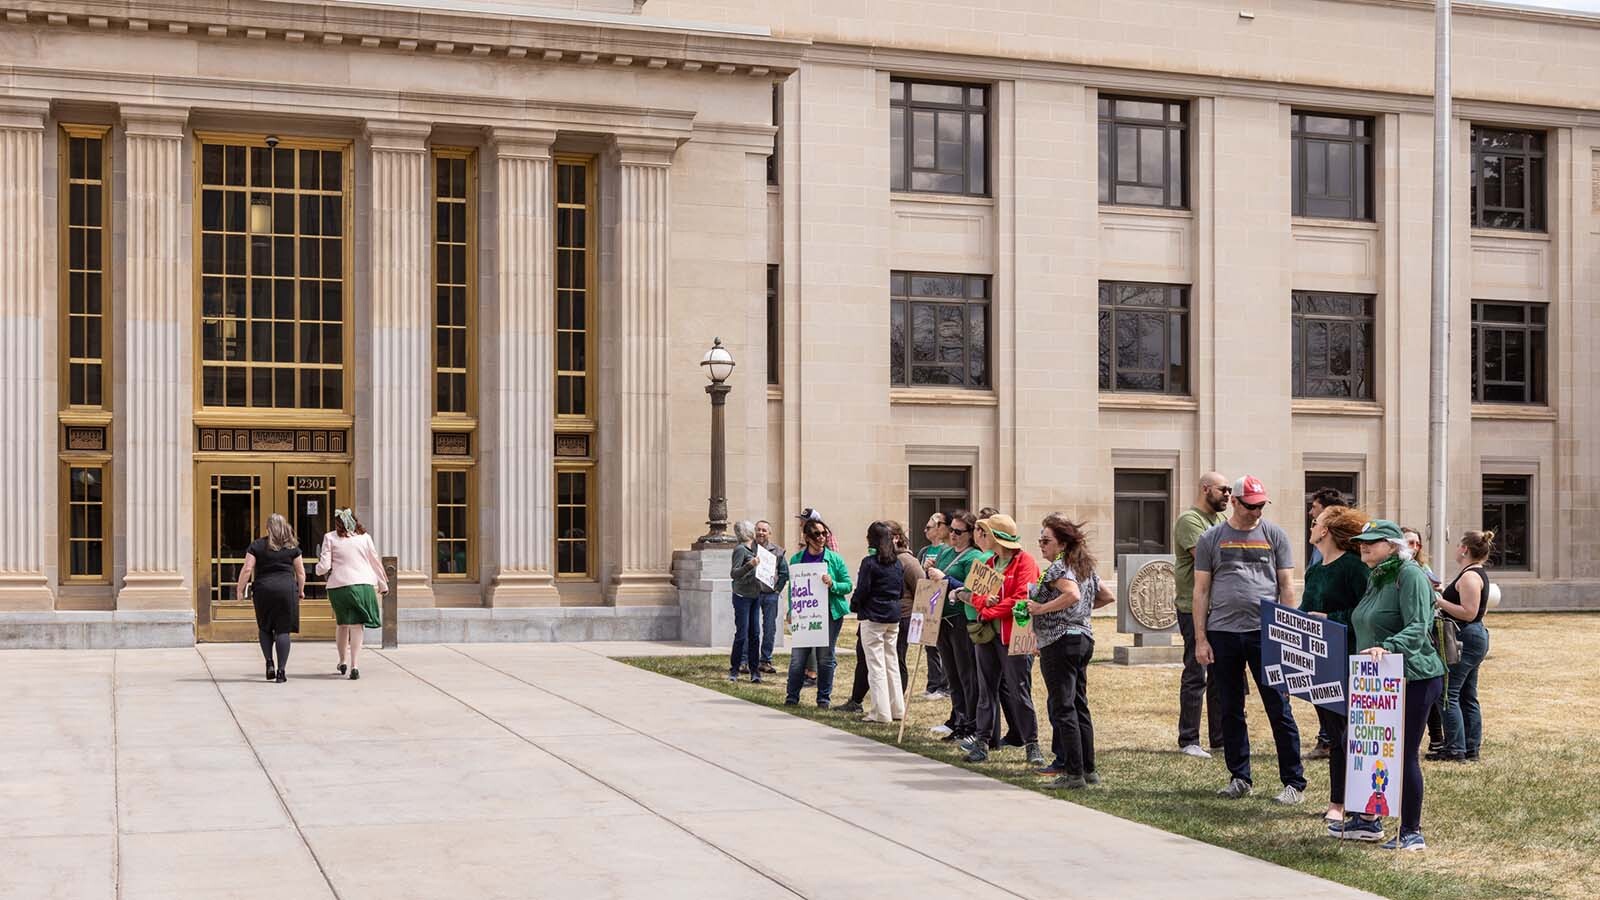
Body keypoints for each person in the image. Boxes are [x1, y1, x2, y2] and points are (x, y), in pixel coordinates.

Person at [1193, 475, 1306, 804]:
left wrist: (1289, 633)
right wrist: (1201, 638)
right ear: (1236, 503)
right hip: (1223, 633)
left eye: (1261, 506)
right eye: (1252, 505)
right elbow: (1201, 591)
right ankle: (1240, 776)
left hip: (1265, 633)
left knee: (1279, 707)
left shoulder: (1274, 535)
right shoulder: (1211, 539)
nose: (1257, 511)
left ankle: (1293, 782)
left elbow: (1286, 586)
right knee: (1230, 708)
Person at [1336, 520, 1447, 851]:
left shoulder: (1409, 574)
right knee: (1360, 745)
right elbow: (1365, 621)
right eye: (1361, 542)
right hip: (1377, 680)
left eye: (1373, 541)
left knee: (1402, 753)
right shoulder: (1377, 576)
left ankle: (1412, 831)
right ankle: (1367, 820)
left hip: (1413, 676)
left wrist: (1390, 646)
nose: (1364, 546)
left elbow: (1419, 625)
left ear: (1393, 545)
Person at [1030, 515, 1113, 789]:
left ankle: (1074, 773)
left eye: (1046, 540)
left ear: (1062, 544)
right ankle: (1089, 769)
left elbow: (1073, 595)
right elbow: (1105, 596)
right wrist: (1080, 615)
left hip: (1059, 641)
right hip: (1083, 639)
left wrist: (1041, 609)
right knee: (1078, 704)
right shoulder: (1083, 567)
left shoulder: (1058, 569)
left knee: (1063, 706)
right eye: (1040, 540)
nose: (1041, 545)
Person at [1302, 505, 1371, 824]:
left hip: (1349, 657)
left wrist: (1331, 619)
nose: (1311, 527)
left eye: (1315, 523)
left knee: (1345, 734)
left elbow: (1365, 613)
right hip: (1319, 661)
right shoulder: (1315, 569)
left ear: (1326, 530)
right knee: (1332, 732)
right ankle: (1343, 800)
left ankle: (1341, 803)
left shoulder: (1355, 567)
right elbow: (1306, 609)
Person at [959, 514, 1044, 767]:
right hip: (987, 637)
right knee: (986, 691)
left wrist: (987, 611)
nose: (980, 537)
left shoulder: (1024, 562)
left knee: (1019, 690)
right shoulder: (988, 563)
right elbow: (973, 594)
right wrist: (984, 602)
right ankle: (982, 744)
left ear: (996, 537)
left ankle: (1032, 744)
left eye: (983, 532)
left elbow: (1021, 598)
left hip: (1014, 636)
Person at [1172, 471, 1230, 759]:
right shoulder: (1189, 521)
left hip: (1219, 608)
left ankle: (1219, 738)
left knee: (1219, 675)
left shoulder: (1220, 521)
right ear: (1206, 489)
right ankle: (1189, 738)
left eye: (1231, 490)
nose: (1228, 495)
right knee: (1196, 671)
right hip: (1191, 607)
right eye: (1223, 490)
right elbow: (1210, 558)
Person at [842, 522, 920, 713]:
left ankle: (881, 711)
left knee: (875, 664)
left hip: (874, 616)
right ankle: (897, 708)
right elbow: (901, 591)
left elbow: (862, 590)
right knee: (892, 662)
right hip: (893, 616)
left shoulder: (869, 563)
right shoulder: (897, 563)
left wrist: (855, 605)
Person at [1431, 530, 1494, 763]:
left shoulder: (1469, 577)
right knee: (1467, 694)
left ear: (1465, 549)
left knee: (1448, 693)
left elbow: (1469, 613)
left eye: (1458, 544)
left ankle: (1455, 749)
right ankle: (1470, 748)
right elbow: (1481, 610)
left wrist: (1439, 600)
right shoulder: (1478, 574)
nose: (1456, 548)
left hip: (1465, 637)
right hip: (1474, 636)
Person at [925, 510, 985, 743]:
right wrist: (930, 570)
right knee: (952, 674)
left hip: (961, 619)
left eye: (959, 532)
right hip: (942, 618)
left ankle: (971, 723)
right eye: (951, 530)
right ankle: (958, 719)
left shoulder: (974, 558)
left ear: (970, 534)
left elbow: (972, 591)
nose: (953, 535)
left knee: (966, 674)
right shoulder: (945, 552)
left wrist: (946, 579)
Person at [784, 517, 852, 708]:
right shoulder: (797, 559)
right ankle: (792, 697)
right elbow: (793, 588)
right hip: (805, 613)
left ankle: (823, 699)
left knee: (825, 657)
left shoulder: (835, 559)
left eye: (824, 533)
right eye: (816, 534)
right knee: (798, 657)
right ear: (806, 537)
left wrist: (833, 584)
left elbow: (848, 585)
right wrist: (791, 608)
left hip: (830, 614)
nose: (821, 537)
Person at [316, 507, 389, 680]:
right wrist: (382, 583)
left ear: (337, 522)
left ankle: (342, 661)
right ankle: (355, 665)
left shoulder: (330, 537)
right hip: (363, 584)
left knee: (342, 624)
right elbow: (375, 562)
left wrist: (318, 570)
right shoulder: (365, 538)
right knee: (357, 626)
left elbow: (324, 566)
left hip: (339, 586)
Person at [236, 513, 305, 683]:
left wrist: (240, 590)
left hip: (263, 590)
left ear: (268, 528)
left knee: (265, 627)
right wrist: (301, 590)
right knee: (283, 630)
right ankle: (281, 671)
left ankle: (269, 663)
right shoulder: (292, 547)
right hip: (286, 590)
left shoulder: (257, 545)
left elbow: (247, 569)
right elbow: (301, 572)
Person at [917, 513, 952, 699]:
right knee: (929, 645)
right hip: (928, 599)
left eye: (929, 527)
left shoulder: (947, 550)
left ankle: (944, 686)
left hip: (943, 601)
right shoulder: (923, 551)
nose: (925, 530)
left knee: (943, 647)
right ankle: (932, 684)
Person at [728, 520, 765, 683]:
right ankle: (734, 669)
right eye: (754, 529)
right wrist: (750, 565)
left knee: (755, 634)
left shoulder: (756, 549)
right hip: (742, 596)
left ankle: (755, 670)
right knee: (742, 634)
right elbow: (734, 573)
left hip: (755, 595)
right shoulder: (740, 550)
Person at [754, 520, 789, 676]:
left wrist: (777, 590)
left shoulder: (778, 551)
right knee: (750, 628)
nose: (761, 533)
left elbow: (784, 573)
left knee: (769, 628)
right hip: (752, 594)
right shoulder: (748, 549)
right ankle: (746, 660)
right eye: (759, 530)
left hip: (770, 595)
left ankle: (765, 660)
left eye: (764, 530)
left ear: (769, 533)